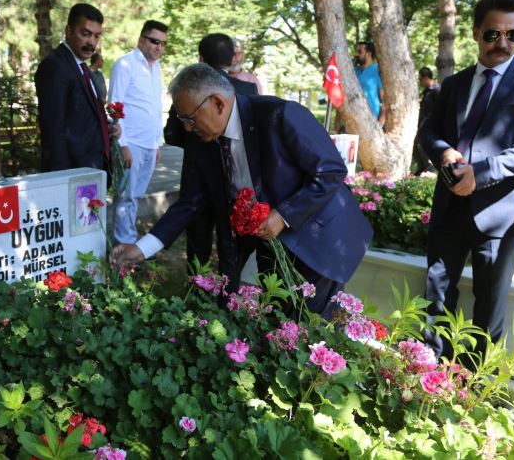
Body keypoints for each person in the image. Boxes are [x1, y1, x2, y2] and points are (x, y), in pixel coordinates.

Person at [113, 63, 373, 317]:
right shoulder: (202, 140)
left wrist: (282, 216)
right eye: (182, 120)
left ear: (217, 103)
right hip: (269, 246)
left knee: (315, 332)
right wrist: (141, 248)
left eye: (189, 118)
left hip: (316, 240)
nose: (187, 128)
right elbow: (190, 202)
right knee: (277, 325)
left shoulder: (280, 115)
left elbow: (330, 171)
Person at [418, 0, 514, 361]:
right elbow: (427, 133)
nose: (503, 42)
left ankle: (474, 391)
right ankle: (424, 377)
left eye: (513, 34)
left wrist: (482, 173)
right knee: (435, 299)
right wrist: (444, 151)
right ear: (477, 31)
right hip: (449, 206)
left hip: (502, 213)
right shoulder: (454, 84)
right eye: (494, 33)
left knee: (488, 312)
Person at [163, 33, 257, 276]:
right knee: (230, 242)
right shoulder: (247, 88)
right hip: (235, 184)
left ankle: (197, 291)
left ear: (201, 58)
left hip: (198, 179)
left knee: (198, 241)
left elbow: (171, 135)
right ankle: (229, 293)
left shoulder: (190, 93)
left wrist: (196, 146)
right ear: (231, 58)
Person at [35, 3, 119, 174]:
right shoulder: (55, 66)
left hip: (90, 167)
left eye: (96, 36)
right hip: (73, 173)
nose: (91, 42)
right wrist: (63, 178)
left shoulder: (81, 67)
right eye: (85, 34)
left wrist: (108, 126)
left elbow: (81, 116)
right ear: (68, 31)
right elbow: (53, 130)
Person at [109, 20, 169, 243]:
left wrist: (157, 143)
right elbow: (114, 105)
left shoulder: (157, 68)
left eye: (163, 44)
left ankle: (128, 243)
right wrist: (122, 144)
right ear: (141, 39)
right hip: (130, 143)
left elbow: (153, 105)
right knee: (126, 196)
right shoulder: (125, 64)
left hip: (149, 145)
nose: (159, 48)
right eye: (155, 41)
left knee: (135, 196)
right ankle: (123, 249)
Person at [412, 67, 440, 174]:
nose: (420, 82)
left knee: (426, 150)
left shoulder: (437, 90)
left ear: (426, 78)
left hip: (431, 127)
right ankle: (422, 167)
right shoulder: (426, 92)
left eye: (420, 79)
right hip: (423, 126)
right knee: (416, 147)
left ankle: (430, 171)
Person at [355, 41, 386, 127]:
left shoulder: (377, 71)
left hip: (371, 121)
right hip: (353, 118)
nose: (356, 54)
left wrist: (380, 123)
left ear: (368, 54)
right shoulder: (353, 71)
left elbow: (384, 100)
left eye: (360, 52)